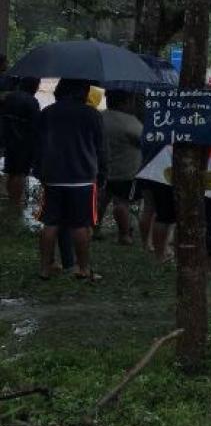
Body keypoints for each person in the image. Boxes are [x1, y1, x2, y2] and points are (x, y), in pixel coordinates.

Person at [35, 79, 107, 281]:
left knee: (50, 223)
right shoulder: (91, 114)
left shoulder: (47, 113)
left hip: (53, 176)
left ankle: (45, 268)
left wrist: (40, 170)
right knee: (80, 225)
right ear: (83, 92)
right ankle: (82, 268)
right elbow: (100, 148)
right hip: (82, 178)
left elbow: (38, 143)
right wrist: (102, 174)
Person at [99, 90, 144, 245]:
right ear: (125, 102)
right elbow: (144, 140)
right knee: (121, 203)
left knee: (102, 200)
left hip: (104, 169)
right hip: (126, 172)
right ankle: (124, 234)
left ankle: (94, 228)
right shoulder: (129, 122)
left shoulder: (101, 117)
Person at [1, 77, 41, 207]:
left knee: (11, 171)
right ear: (34, 86)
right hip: (24, 143)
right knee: (20, 173)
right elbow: (36, 125)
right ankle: (16, 202)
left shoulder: (9, 97)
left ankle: (11, 199)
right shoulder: (32, 101)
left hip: (8, 140)